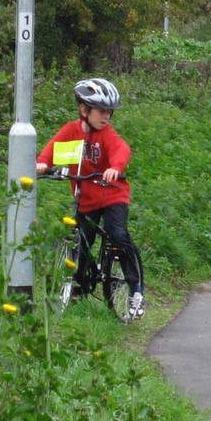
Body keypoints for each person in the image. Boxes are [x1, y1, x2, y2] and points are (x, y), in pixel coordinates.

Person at [36, 78, 145, 319]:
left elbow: (121, 148)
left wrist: (115, 167)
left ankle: (135, 288)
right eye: (101, 110)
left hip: (112, 194)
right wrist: (43, 164)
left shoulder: (106, 134)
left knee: (117, 234)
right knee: (81, 242)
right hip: (85, 197)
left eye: (109, 111)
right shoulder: (71, 130)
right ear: (84, 110)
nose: (106, 116)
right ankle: (77, 290)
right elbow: (54, 148)